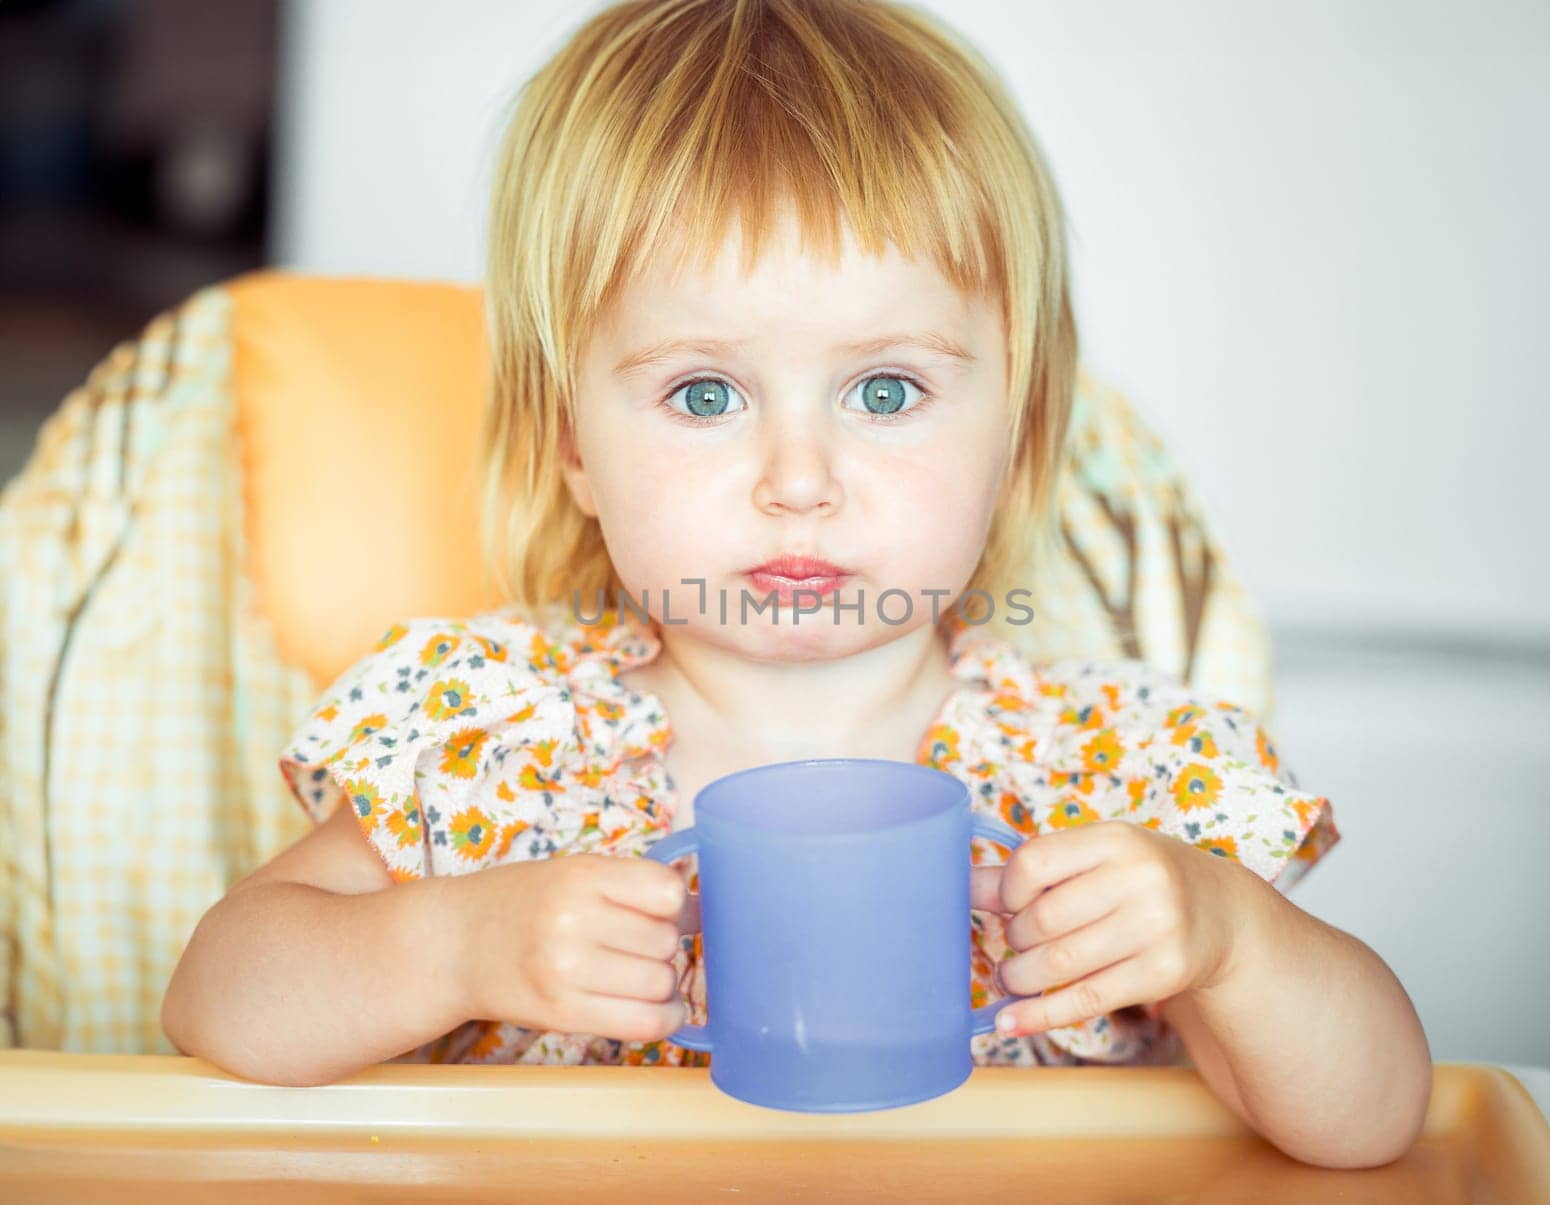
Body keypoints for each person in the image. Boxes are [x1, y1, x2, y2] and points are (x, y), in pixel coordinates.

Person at [161, 0, 1431, 1167]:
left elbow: (1374, 1124)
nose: (798, 477)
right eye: (703, 393)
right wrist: (450, 943)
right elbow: (218, 999)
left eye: (886, 391)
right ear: (571, 446)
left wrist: (1227, 938)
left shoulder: (1122, 771)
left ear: (1019, 443)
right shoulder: (489, 731)